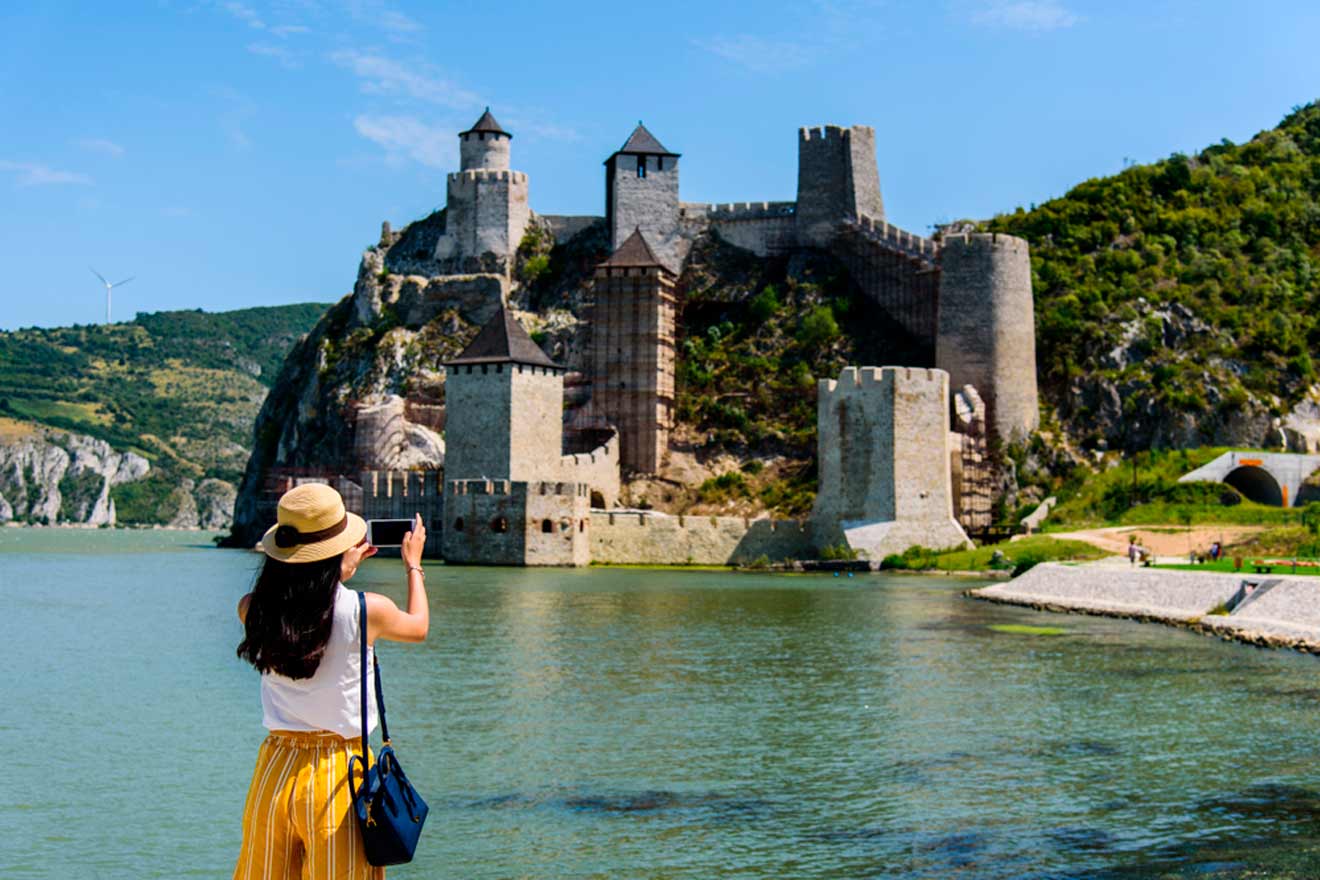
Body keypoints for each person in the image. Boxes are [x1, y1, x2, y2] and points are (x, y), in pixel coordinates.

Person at [232, 484, 429, 880]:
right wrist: (413, 564)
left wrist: (335, 566)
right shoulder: (365, 610)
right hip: (337, 774)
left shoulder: (252, 609)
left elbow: (305, 601)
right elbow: (418, 627)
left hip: (275, 767)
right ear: (338, 550)